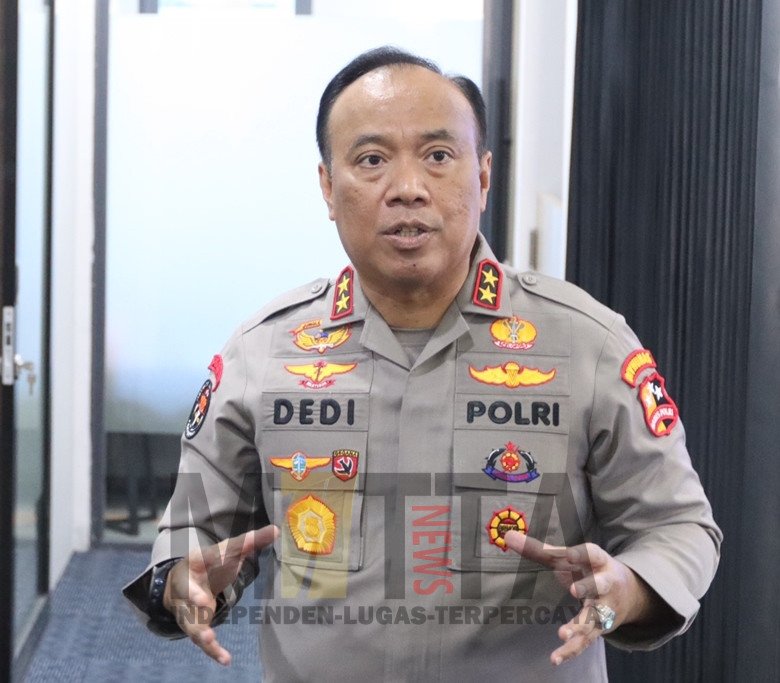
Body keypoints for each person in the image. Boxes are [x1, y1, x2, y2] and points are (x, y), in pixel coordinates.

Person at [123, 47, 721, 682]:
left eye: (438, 156)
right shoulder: (263, 351)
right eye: (371, 160)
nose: (407, 188)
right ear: (328, 187)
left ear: (483, 177)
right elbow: (194, 527)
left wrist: (630, 587)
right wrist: (181, 578)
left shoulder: (588, 343)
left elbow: (678, 526)